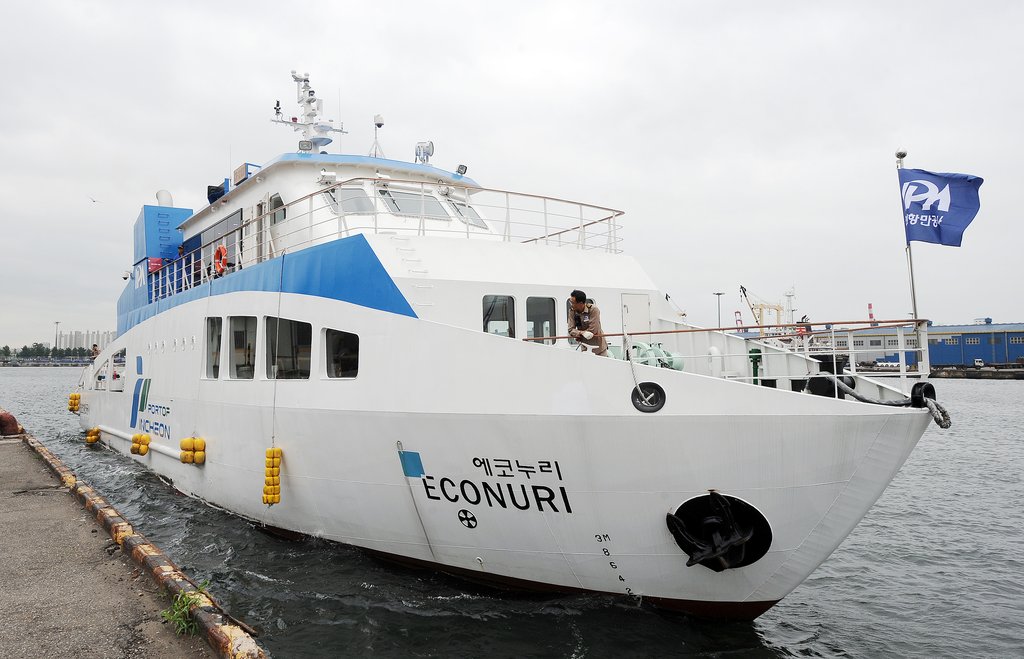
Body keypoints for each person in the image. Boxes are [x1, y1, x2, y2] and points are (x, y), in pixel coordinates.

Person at [567, 289, 607, 356]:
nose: (571, 305)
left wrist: (577, 333)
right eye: (570, 302)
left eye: (573, 303)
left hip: (599, 348)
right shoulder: (572, 311)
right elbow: (570, 330)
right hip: (585, 347)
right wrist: (582, 333)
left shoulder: (593, 310)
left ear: (581, 303)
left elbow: (593, 330)